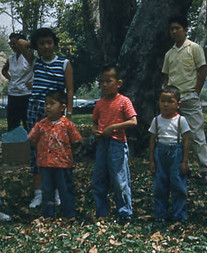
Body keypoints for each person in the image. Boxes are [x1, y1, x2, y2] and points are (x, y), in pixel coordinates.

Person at [14, 28, 74, 209]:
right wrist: (33, 45)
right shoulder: (36, 62)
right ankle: (39, 193)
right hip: (35, 110)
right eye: (42, 43)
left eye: (49, 42)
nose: (47, 46)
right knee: (37, 151)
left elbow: (70, 90)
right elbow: (19, 42)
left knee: (56, 150)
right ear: (37, 47)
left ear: (55, 43)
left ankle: (55, 192)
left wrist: (68, 114)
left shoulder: (64, 63)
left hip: (56, 112)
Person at [162, 15, 207, 180]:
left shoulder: (194, 48)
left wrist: (196, 92)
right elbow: (166, 76)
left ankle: (205, 170)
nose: (174, 31)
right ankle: (184, 167)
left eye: (177, 28)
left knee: (196, 134)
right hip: (173, 99)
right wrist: (167, 95)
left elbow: (202, 70)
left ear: (185, 29)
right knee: (176, 135)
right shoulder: (169, 53)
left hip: (190, 97)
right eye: (172, 29)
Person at [91, 64, 137, 221]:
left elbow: (133, 121)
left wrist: (113, 127)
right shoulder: (99, 103)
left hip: (117, 143)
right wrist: (95, 130)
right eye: (101, 81)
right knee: (98, 178)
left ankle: (125, 212)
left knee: (119, 179)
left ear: (118, 83)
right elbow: (95, 122)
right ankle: (101, 211)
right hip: (102, 144)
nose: (104, 85)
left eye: (108, 81)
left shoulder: (124, 101)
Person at [27, 90, 82, 219]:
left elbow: (77, 141)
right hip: (45, 165)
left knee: (65, 189)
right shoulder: (40, 125)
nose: (48, 107)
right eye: (46, 104)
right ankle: (48, 215)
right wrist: (42, 151)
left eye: (52, 104)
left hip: (63, 165)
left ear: (63, 107)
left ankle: (69, 214)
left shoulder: (68, 125)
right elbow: (32, 140)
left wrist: (68, 154)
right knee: (47, 190)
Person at [148, 86, 190, 222]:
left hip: (176, 153)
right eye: (162, 101)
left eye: (170, 101)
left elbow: (186, 141)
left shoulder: (181, 120)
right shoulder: (156, 120)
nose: (165, 105)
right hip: (160, 153)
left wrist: (184, 161)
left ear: (178, 104)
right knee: (160, 185)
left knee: (178, 184)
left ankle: (179, 215)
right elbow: (152, 140)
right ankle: (161, 214)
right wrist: (152, 161)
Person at [2, 33, 33, 131]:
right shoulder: (11, 59)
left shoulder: (29, 57)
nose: (12, 46)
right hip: (13, 94)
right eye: (10, 43)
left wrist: (33, 83)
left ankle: (30, 145)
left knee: (28, 123)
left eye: (14, 43)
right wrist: (11, 79)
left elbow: (39, 70)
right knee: (12, 124)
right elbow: (4, 71)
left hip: (26, 94)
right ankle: (14, 145)